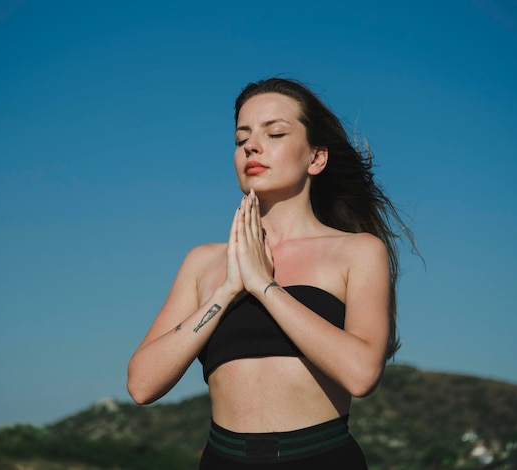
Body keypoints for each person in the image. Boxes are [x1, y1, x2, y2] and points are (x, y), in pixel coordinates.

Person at [127, 77, 415, 469]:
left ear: (316, 158)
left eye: (275, 132)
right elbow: (142, 385)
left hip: (321, 458)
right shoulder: (203, 262)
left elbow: (361, 374)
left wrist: (264, 286)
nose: (251, 146)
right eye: (241, 137)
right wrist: (227, 290)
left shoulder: (358, 251)